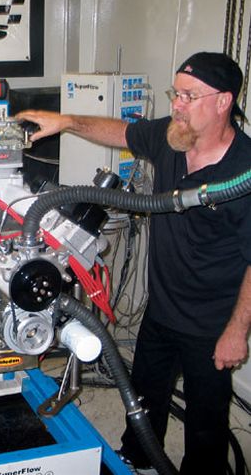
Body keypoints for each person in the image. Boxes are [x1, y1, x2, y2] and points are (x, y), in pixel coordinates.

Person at [17, 52, 251, 474]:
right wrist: (67, 121)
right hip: (161, 309)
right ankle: (139, 454)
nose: (177, 105)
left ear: (223, 102)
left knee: (206, 421)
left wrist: (237, 331)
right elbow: (122, 132)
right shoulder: (173, 136)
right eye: (175, 93)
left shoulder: (244, 172)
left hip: (211, 321)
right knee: (143, 396)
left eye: (189, 96)